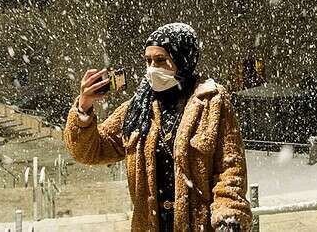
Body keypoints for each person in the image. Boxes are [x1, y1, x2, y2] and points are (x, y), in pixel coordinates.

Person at [64, 23, 252, 232]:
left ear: (182, 59)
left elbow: (230, 167)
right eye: (148, 61)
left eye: (160, 60)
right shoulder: (137, 109)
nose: (152, 68)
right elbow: (90, 152)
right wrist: (83, 107)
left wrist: (228, 217)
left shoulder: (212, 102)